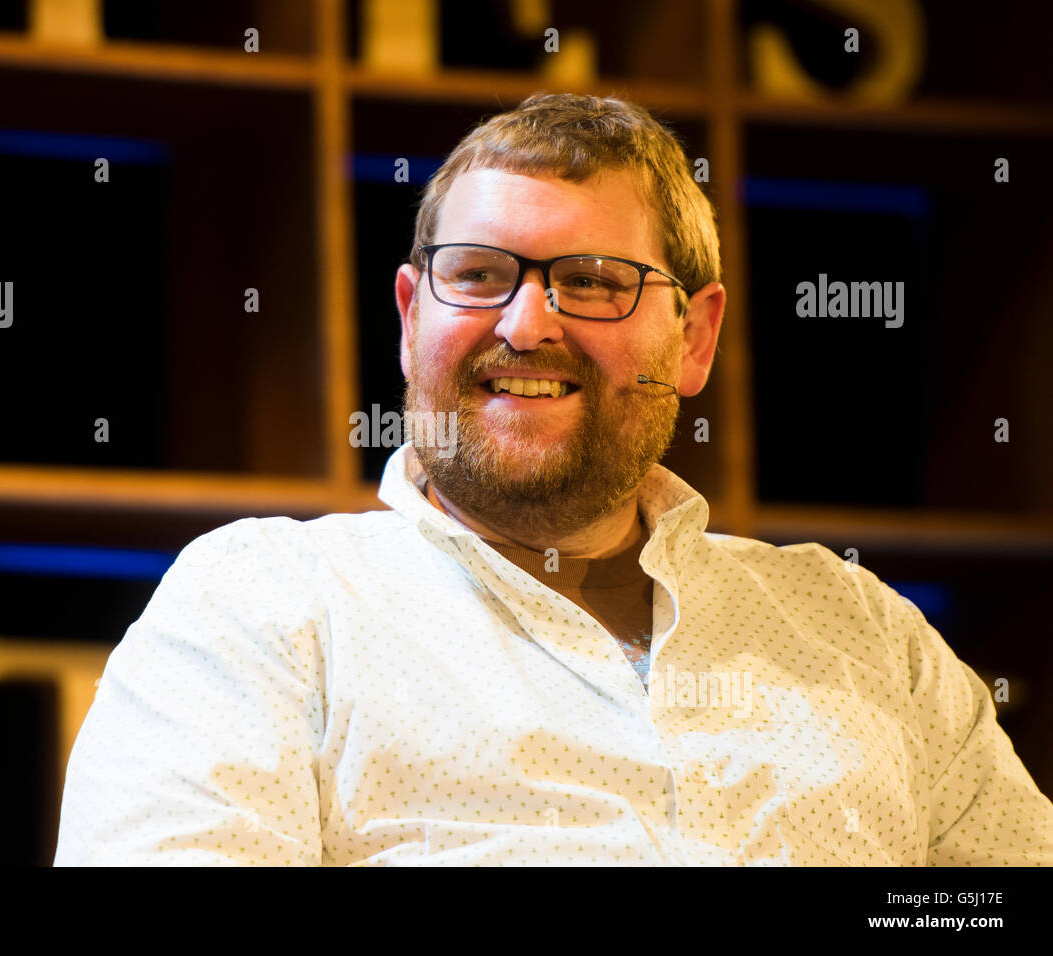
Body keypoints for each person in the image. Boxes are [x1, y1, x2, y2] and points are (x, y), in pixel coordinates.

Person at [53, 92, 1053, 866]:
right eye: (478, 273)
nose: (525, 324)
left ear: (695, 337)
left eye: (591, 281)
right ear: (409, 316)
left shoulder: (862, 633)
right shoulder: (263, 609)